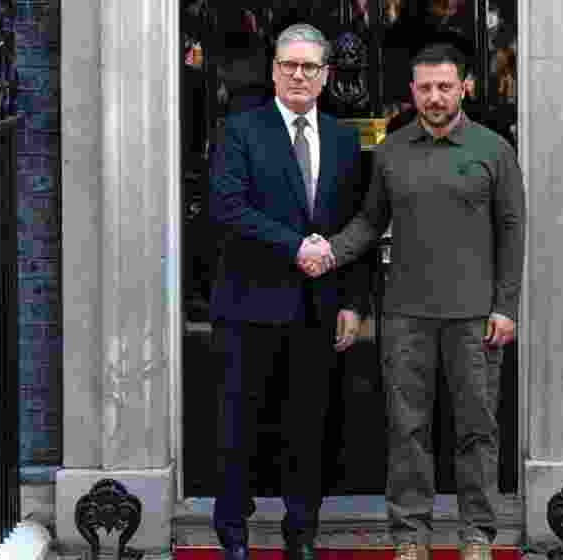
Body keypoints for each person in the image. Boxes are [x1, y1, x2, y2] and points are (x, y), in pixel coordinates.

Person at [301, 42, 525, 560]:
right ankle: (410, 537)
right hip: (405, 315)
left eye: (444, 86)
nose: (435, 97)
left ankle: (477, 536)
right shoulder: (391, 151)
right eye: (425, 88)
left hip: (475, 318)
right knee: (407, 431)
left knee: (477, 431)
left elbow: (513, 233)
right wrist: (329, 252)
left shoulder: (495, 150)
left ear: (464, 87)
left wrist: (506, 306)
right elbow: (369, 222)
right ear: (412, 91)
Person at [208, 22, 371, 560]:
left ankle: (301, 533)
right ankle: (233, 532)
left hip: (317, 309)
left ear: (325, 76)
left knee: (307, 430)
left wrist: (354, 301)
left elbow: (358, 224)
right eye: (289, 65)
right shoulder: (240, 130)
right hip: (249, 304)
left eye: (309, 67)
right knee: (240, 428)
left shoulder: (345, 139)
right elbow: (228, 208)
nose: (298, 75)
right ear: (274, 71)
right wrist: (296, 246)